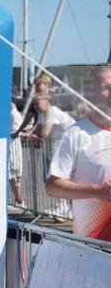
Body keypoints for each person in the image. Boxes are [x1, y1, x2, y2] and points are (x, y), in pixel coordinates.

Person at [45, 65, 111, 240]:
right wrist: (97, 191)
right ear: (90, 94)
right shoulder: (76, 134)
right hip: (94, 245)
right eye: (106, 87)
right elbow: (52, 187)